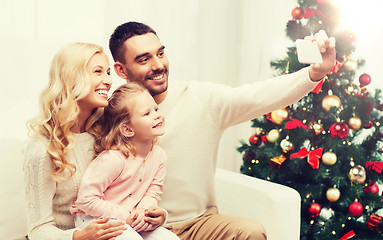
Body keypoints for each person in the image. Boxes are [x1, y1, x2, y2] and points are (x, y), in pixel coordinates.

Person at [109, 21, 336, 240]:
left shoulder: (200, 99)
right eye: (143, 59)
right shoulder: (110, 114)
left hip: (199, 223)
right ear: (121, 69)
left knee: (250, 231)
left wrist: (314, 74)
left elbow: (260, 96)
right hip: (138, 229)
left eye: (160, 53)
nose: (158, 65)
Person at [24, 42, 128, 240]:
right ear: (71, 78)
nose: (108, 80)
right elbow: (38, 230)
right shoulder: (42, 148)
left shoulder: (105, 133)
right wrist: (79, 236)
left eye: (108, 72)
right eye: (97, 72)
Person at [70, 82, 180, 240]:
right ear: (128, 130)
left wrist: (144, 211)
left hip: (131, 218)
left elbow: (153, 191)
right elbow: (86, 200)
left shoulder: (159, 156)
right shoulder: (113, 159)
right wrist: (125, 216)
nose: (156, 115)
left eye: (156, 109)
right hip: (95, 219)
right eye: (146, 113)